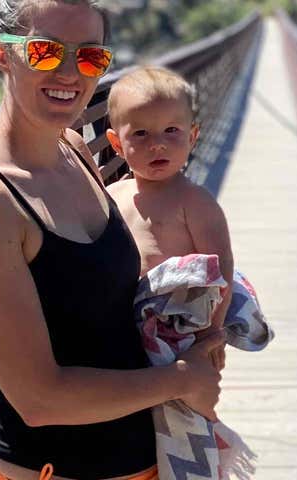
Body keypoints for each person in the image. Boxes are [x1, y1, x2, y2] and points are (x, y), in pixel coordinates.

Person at [0, 2, 224, 479]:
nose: (70, 72)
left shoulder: (74, 148)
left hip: (151, 459)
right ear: (2, 54)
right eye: (46, 52)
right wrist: (181, 380)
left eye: (90, 58)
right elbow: (38, 399)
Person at [105, 66, 234, 370]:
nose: (157, 144)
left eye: (171, 131)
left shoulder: (194, 201)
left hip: (179, 331)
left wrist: (212, 331)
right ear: (116, 145)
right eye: (140, 133)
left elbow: (221, 267)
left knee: (180, 413)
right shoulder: (112, 195)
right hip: (123, 327)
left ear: (192, 137)